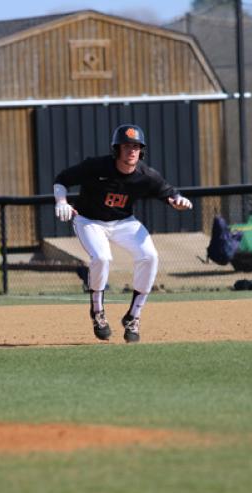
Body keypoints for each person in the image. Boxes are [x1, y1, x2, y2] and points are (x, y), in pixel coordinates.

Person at [53, 123, 192, 343]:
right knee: (102, 258)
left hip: (124, 222)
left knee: (150, 256)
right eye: (126, 146)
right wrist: (61, 201)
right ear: (116, 149)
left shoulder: (145, 174)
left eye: (136, 146)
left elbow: (168, 192)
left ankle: (133, 317)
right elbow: (62, 179)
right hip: (89, 220)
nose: (132, 151)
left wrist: (177, 201)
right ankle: (97, 312)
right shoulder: (96, 166)